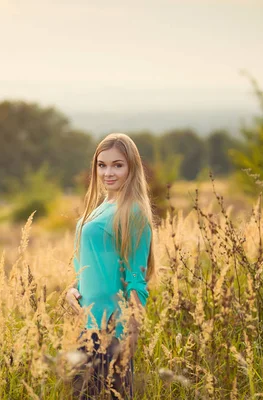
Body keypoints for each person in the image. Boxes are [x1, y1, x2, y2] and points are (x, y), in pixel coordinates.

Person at [66, 133, 155, 399]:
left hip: (111, 333)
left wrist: (128, 341)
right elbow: (91, 265)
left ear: (132, 167)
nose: (108, 172)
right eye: (102, 165)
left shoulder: (133, 212)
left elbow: (137, 281)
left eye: (118, 165)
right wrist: (74, 289)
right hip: (87, 329)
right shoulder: (101, 206)